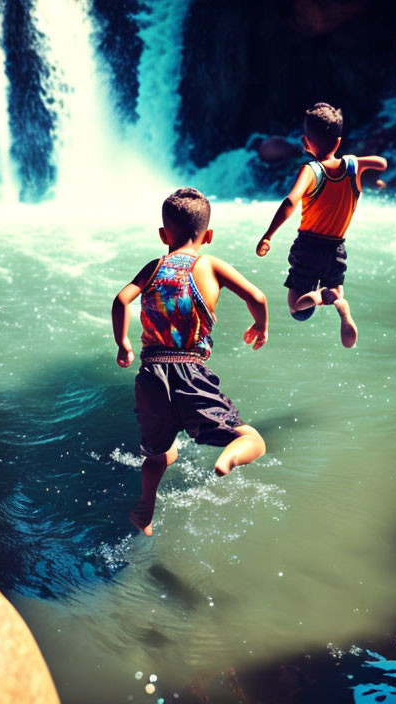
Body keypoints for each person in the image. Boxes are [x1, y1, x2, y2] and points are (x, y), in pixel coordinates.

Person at [112, 187, 268, 536]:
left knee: (159, 453)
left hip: (151, 374)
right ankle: (229, 453)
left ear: (163, 235)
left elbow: (121, 301)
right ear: (208, 235)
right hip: (189, 370)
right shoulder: (209, 264)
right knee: (254, 441)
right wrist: (260, 326)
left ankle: (146, 510)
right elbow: (257, 297)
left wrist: (123, 344)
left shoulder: (153, 267)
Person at [256, 102, 387, 347]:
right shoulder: (352, 167)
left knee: (297, 308)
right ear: (338, 142)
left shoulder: (311, 170)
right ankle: (339, 304)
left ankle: (318, 297)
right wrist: (354, 160)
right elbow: (381, 164)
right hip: (337, 249)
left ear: (306, 143)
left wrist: (268, 234)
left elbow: (290, 201)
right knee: (337, 289)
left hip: (308, 247)